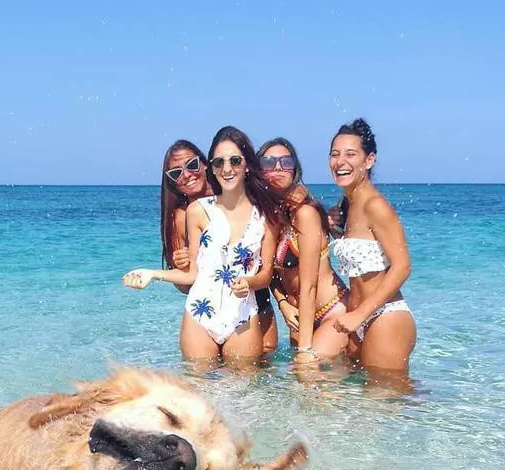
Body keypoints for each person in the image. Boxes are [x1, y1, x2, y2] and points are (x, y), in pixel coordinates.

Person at [125, 126, 283, 362]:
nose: (227, 168)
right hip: (200, 314)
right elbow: (192, 276)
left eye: (235, 160)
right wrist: (152, 274)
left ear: (247, 164)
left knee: (247, 393)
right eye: (219, 162)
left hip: (244, 314)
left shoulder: (265, 214)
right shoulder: (196, 211)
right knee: (198, 388)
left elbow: (266, 274)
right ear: (213, 166)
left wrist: (250, 283)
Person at [159, 139, 279, 351]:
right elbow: (186, 284)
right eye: (176, 174)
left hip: (254, 302)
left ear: (207, 164)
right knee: (201, 380)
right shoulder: (180, 216)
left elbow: (269, 260)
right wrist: (185, 266)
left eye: (192, 165)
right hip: (209, 310)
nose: (186, 175)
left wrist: (284, 303)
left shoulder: (244, 196)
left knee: (261, 375)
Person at [329, 118, 416, 378]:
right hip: (358, 318)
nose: (340, 162)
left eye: (350, 154)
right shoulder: (348, 204)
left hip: (385, 316)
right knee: (364, 409)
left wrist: (360, 315)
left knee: (386, 401)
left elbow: (402, 266)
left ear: (369, 160)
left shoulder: (375, 205)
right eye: (334, 154)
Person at [257, 137, 349, 362]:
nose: (278, 167)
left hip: (332, 312)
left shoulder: (305, 214)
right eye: (269, 162)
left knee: (305, 371)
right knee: (305, 391)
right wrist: (283, 304)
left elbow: (309, 285)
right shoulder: (272, 216)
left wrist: (305, 348)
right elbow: (271, 274)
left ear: (295, 168)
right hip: (299, 317)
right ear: (259, 171)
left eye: (285, 161)